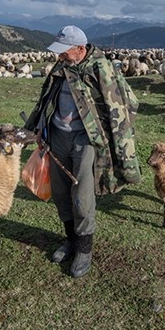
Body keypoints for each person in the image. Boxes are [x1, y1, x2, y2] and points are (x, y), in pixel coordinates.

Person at [24, 25, 142, 278]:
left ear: (80, 48)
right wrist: (35, 128)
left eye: (64, 52)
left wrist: (115, 141)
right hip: (57, 136)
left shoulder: (101, 69)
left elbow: (124, 105)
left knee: (82, 196)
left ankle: (84, 249)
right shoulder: (62, 67)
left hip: (85, 140)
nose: (59, 57)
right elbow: (46, 99)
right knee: (60, 192)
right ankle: (70, 240)